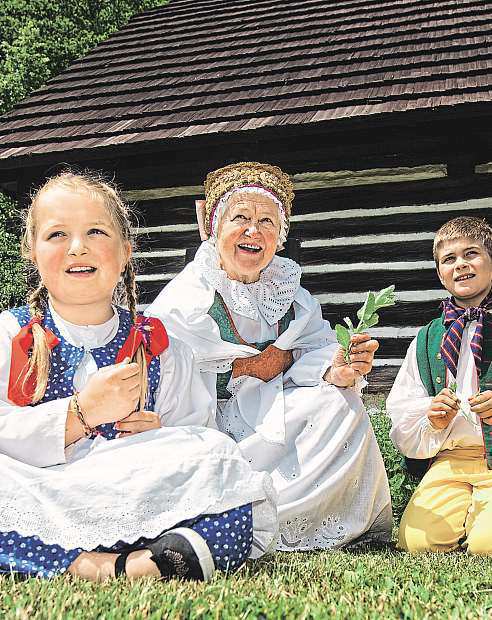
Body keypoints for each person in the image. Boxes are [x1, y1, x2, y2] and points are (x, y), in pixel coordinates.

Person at [0, 171, 277, 582]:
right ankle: (98, 566)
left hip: (128, 487)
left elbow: (195, 429)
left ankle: (142, 558)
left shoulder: (160, 345)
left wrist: (159, 432)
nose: (78, 248)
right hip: (37, 491)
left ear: (125, 251)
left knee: (217, 458)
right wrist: (78, 414)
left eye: (95, 231)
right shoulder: (11, 334)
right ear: (32, 252)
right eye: (57, 235)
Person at [146, 162, 392, 550]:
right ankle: (239, 520)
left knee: (340, 403)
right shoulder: (187, 297)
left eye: (267, 222)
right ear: (214, 229)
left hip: (272, 408)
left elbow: (316, 347)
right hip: (209, 415)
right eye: (239, 218)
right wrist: (241, 368)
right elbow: (166, 371)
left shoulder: (290, 293)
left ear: (280, 237)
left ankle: (296, 520)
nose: (253, 230)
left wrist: (337, 368)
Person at [387, 216, 492, 554]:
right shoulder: (428, 337)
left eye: (471, 254)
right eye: (449, 259)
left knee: (486, 545)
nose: (460, 264)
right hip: (449, 459)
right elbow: (402, 410)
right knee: (417, 542)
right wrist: (431, 419)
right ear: (440, 274)